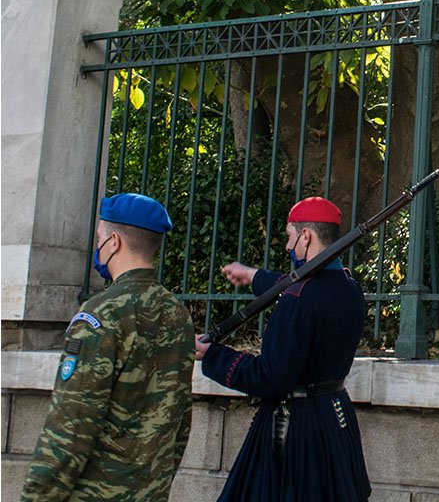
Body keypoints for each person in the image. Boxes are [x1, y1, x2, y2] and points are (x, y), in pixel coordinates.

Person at [195, 196, 370, 501]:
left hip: (298, 429)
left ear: (306, 236)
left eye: (290, 237)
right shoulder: (350, 289)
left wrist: (213, 355)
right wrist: (252, 275)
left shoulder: (298, 300)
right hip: (335, 417)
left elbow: (270, 378)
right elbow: (299, 285)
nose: (288, 247)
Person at [22, 193, 194, 501]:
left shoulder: (100, 314)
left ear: (113, 242)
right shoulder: (177, 313)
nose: (97, 245)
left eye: (99, 237)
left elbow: (71, 426)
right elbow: (180, 418)